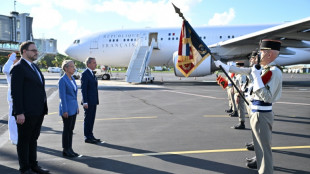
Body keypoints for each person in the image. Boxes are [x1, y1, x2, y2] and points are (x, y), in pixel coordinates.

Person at [215, 39, 282, 174]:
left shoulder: (274, 71)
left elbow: (267, 97)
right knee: (258, 147)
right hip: (256, 112)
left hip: (263, 114)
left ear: (269, 54)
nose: (258, 55)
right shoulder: (261, 69)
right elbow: (242, 70)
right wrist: (223, 66)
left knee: (264, 149)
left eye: (262, 52)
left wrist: (257, 77)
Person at [10, 41, 50, 174]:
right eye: (33, 50)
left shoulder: (34, 67)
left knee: (33, 139)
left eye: (36, 50)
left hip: (38, 111)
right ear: (24, 52)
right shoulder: (19, 68)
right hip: (26, 112)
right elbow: (16, 93)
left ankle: (33, 165)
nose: (36, 52)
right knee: (24, 141)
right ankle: (25, 168)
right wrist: (19, 112)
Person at [59, 60, 80, 157]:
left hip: (73, 108)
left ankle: (70, 148)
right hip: (67, 109)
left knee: (71, 129)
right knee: (67, 129)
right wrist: (65, 110)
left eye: (74, 66)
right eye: (72, 66)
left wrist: (77, 107)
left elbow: (74, 95)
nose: (74, 68)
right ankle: (65, 149)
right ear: (66, 68)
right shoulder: (62, 80)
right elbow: (62, 97)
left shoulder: (72, 79)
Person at [81, 57, 101, 144]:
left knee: (92, 119)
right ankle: (87, 137)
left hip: (93, 100)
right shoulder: (85, 74)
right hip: (88, 101)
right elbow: (83, 89)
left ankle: (91, 135)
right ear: (88, 64)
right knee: (88, 119)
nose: (95, 64)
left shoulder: (92, 73)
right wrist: (85, 101)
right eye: (94, 63)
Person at [3, 52, 21, 145]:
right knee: (13, 119)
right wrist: (11, 58)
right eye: (15, 58)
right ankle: (14, 138)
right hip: (13, 98)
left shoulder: (21, 68)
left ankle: (19, 137)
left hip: (23, 98)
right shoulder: (10, 69)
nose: (16, 60)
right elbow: (5, 70)